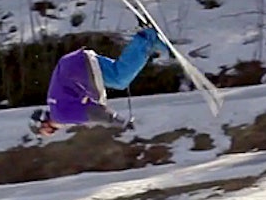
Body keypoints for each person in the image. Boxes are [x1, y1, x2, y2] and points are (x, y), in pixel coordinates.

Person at [29, 27, 170, 137]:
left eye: (41, 133)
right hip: (73, 64)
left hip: (77, 69)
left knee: (119, 79)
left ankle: (146, 39)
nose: (44, 135)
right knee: (116, 73)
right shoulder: (57, 108)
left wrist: (120, 123)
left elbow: (94, 112)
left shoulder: (61, 116)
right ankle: (145, 40)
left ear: (44, 126)